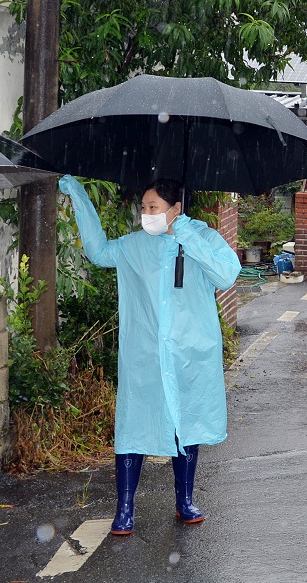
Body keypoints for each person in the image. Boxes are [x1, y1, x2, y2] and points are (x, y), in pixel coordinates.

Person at [57, 175, 241, 536]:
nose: (145, 214)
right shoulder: (134, 245)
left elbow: (226, 273)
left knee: (186, 425)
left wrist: (184, 235)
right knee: (134, 426)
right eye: (143, 207)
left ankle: (184, 501)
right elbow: (97, 252)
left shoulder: (200, 237)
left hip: (190, 355)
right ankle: (124, 509)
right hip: (144, 356)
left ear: (174, 209)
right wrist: (79, 196)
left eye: (153, 207)